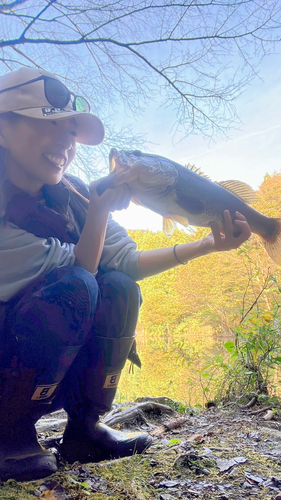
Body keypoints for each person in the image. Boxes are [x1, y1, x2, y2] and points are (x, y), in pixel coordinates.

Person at [0, 67, 251, 482]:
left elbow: (127, 262)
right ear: (3, 128)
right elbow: (79, 275)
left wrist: (208, 245)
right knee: (79, 286)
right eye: (48, 125)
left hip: (39, 365)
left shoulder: (75, 193)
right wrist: (99, 213)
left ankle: (84, 429)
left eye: (70, 132)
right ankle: (9, 435)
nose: (65, 142)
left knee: (119, 287)